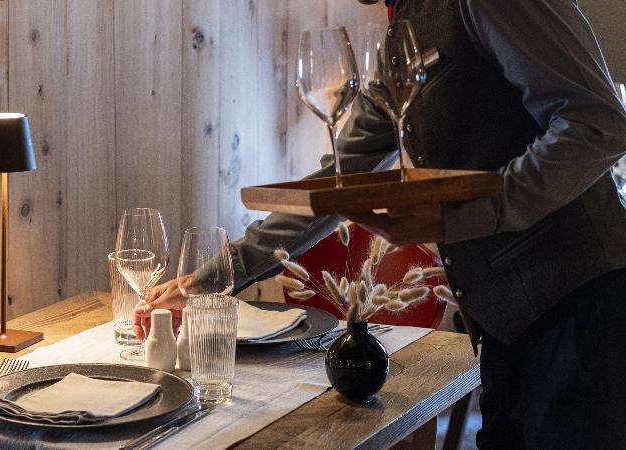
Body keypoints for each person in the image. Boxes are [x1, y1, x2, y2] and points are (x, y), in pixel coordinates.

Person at [135, 0, 626, 447]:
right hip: (510, 328)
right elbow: (336, 182)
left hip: (579, 310)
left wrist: (471, 214)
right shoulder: (403, 32)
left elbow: (598, 124)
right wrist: (213, 279)